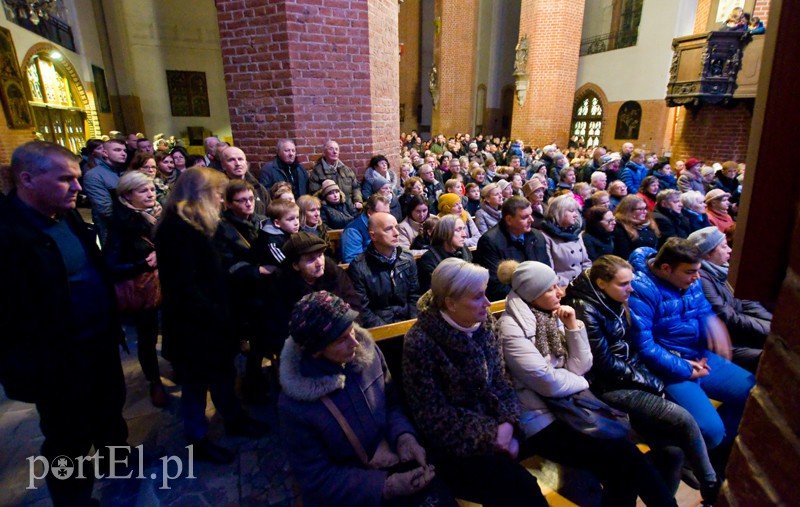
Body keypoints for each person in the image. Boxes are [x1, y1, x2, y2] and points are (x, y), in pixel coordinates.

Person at [0, 141, 129, 507]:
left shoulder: (65, 213)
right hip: (56, 359)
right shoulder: (8, 233)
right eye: (65, 179)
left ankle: (115, 462)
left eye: (77, 178)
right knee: (68, 438)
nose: (78, 188)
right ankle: (73, 500)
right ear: (26, 179)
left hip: (98, 341)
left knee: (109, 408)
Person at [497, 260, 678, 507]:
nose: (559, 292)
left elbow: (581, 365)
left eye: (556, 286)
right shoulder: (510, 328)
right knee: (627, 459)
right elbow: (547, 382)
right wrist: (579, 381)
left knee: (624, 467)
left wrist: (573, 327)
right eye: (550, 289)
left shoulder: (553, 314)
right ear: (532, 293)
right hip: (541, 421)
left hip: (571, 407)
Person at [563, 256, 719, 504]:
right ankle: (712, 484)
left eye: (631, 282)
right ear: (602, 283)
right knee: (683, 419)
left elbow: (636, 347)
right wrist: (652, 383)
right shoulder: (585, 310)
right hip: (607, 388)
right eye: (624, 284)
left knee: (673, 451)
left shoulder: (614, 301)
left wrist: (678, 360)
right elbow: (605, 365)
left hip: (630, 377)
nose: (631, 289)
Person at [279, 292, 457, 507]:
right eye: (341, 340)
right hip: (356, 492)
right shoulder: (296, 406)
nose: (355, 343)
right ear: (316, 351)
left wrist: (404, 437)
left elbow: (392, 403)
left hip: (393, 458)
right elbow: (317, 478)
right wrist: (386, 486)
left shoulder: (367, 352)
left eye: (351, 330)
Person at [403, 258, 548, 507]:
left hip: (499, 427)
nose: (488, 303)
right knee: (523, 490)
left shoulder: (485, 322)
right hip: (454, 445)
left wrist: (507, 423)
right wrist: (494, 435)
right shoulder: (420, 341)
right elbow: (434, 416)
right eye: (478, 297)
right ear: (450, 303)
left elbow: (501, 380)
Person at [156, 167, 269, 464]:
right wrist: (215, 315)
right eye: (217, 195)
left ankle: (234, 418)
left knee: (222, 374)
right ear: (200, 195)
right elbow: (185, 286)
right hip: (194, 326)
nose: (220, 201)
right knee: (195, 385)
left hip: (214, 319)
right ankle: (197, 439)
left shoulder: (200, 224)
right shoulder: (176, 228)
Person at [628, 239, 756, 477]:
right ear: (666, 268)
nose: (697, 278)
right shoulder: (639, 289)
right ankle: (691, 454)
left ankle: (698, 452)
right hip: (671, 366)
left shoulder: (689, 279)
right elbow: (644, 347)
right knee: (712, 431)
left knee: (754, 393)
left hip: (700, 356)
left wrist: (712, 326)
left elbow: (703, 309)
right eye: (690, 272)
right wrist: (685, 368)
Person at [105, 171, 168, 407]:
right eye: (143, 190)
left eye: (152, 189)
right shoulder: (122, 224)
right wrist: (143, 263)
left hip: (166, 283)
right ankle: (154, 381)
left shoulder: (159, 215)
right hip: (144, 289)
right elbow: (110, 265)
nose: (151, 194)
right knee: (148, 337)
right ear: (127, 195)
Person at [687, 227, 771, 373]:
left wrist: (771, 322)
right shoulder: (701, 277)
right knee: (772, 356)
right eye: (724, 246)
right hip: (726, 341)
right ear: (707, 254)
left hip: (741, 332)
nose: (730, 250)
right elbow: (726, 316)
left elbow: (746, 302)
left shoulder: (723, 269)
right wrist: (768, 329)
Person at [347, 212, 420, 327]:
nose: (396, 233)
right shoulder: (359, 267)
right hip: (379, 329)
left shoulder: (407, 258)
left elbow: (414, 295)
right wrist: (389, 330)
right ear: (373, 236)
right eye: (388, 229)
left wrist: (412, 323)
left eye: (396, 227)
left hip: (409, 323)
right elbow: (363, 309)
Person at [474, 196, 550, 302]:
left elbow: (547, 270)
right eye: (525, 217)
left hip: (539, 297)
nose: (531, 220)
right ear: (509, 220)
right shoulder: (490, 242)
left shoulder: (537, 236)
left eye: (531, 215)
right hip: (511, 301)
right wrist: (530, 296)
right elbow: (496, 286)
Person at [541, 194, 592, 287]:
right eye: (571, 211)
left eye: (576, 211)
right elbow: (550, 272)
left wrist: (588, 279)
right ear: (559, 212)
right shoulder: (545, 236)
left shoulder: (576, 233)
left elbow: (586, 262)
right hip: (562, 287)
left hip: (582, 284)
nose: (576, 215)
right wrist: (569, 284)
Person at [84, 138, 127, 244]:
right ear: (105, 153)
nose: (123, 153)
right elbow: (105, 209)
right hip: (111, 230)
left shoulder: (123, 172)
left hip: (128, 225)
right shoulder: (94, 175)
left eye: (124, 150)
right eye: (117, 150)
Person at [416, 215, 472, 292]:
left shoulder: (464, 251)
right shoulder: (429, 260)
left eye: (463, 229)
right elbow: (432, 294)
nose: (464, 235)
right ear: (445, 233)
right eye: (458, 230)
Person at [310, 140, 363, 209]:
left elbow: (356, 187)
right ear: (324, 153)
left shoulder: (347, 170)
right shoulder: (317, 172)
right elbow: (315, 194)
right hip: (330, 210)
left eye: (336, 149)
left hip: (350, 207)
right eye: (331, 149)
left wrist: (357, 201)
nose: (334, 152)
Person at [340, 194, 391, 263]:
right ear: (369, 213)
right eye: (382, 213)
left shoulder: (386, 225)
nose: (386, 217)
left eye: (388, 213)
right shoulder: (352, 231)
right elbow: (353, 262)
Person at [221, 146, 269, 215]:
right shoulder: (220, 191)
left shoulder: (258, 188)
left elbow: (270, 213)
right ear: (223, 166)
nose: (237, 163)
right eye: (231, 160)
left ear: (246, 163)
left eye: (240, 159)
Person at [613, 194, 659, 260]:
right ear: (629, 210)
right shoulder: (620, 227)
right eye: (640, 209)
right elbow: (623, 254)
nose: (645, 212)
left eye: (645, 208)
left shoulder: (649, 223)